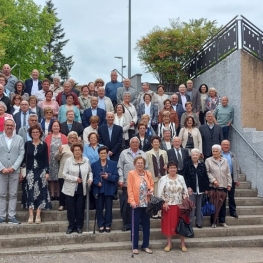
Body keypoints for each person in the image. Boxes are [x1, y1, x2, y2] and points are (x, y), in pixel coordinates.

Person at [22, 125, 51, 224]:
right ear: (30, 134)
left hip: (41, 170)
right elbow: (24, 158)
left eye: (37, 132)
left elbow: (46, 159)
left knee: (41, 191)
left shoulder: (44, 145)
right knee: (29, 191)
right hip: (29, 171)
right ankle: (31, 214)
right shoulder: (27, 144)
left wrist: (47, 172)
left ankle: (38, 214)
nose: (35, 134)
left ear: (40, 133)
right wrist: (22, 171)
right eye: (33, 132)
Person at [158, 161, 189, 252]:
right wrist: (163, 202)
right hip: (168, 205)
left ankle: (182, 243)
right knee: (168, 224)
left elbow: (185, 190)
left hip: (180, 205)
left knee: (182, 223)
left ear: (177, 169)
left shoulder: (181, 178)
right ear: (167, 169)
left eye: (174, 167)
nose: (173, 169)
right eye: (171, 167)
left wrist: (185, 199)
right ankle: (169, 243)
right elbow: (160, 192)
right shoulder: (163, 179)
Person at [62, 142, 93, 234]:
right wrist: (75, 179)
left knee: (80, 208)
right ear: (72, 151)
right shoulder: (68, 161)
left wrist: (90, 179)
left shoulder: (86, 160)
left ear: (81, 151)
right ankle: (71, 226)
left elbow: (90, 172)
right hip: (70, 188)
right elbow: (64, 174)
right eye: (75, 150)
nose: (77, 152)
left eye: (79, 150)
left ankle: (79, 226)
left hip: (82, 188)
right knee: (71, 208)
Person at [118, 137, 147, 231]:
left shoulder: (143, 154)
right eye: (133, 142)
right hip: (127, 183)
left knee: (139, 205)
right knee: (127, 205)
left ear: (139, 144)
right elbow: (120, 167)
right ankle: (127, 224)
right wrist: (121, 179)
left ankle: (139, 224)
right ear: (130, 144)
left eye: (136, 142)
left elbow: (147, 169)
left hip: (140, 185)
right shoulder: (124, 153)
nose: (135, 144)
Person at [127, 156, 154, 255]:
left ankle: (145, 245)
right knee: (135, 224)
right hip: (136, 203)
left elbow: (151, 185)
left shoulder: (148, 173)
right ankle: (134, 246)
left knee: (147, 224)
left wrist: (151, 190)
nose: (140, 164)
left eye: (141, 163)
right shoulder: (131, 174)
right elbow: (129, 189)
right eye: (138, 163)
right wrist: (132, 201)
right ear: (135, 164)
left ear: (144, 164)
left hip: (146, 203)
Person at [0, 119, 24, 224]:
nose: (9, 127)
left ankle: (11, 216)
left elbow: (21, 154)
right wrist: (2, 168)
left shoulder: (19, 139)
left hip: (14, 170)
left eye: (11, 125)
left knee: (13, 194)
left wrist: (13, 167)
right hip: (2, 171)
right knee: (2, 194)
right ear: (4, 126)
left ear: (14, 127)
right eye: (8, 125)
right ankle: (1, 216)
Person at [92, 146, 119, 233]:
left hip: (109, 189)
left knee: (109, 208)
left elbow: (116, 176)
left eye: (104, 153)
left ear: (107, 154)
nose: (103, 155)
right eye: (101, 153)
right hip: (99, 189)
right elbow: (91, 176)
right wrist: (96, 182)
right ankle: (100, 224)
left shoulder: (113, 164)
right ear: (99, 154)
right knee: (99, 208)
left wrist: (108, 177)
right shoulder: (94, 164)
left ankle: (107, 224)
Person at [205, 144, 232, 228]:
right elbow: (207, 172)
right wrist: (213, 180)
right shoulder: (208, 160)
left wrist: (229, 183)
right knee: (214, 204)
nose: (215, 153)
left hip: (223, 185)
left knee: (222, 204)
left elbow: (228, 173)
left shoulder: (225, 160)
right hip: (213, 186)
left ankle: (222, 221)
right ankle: (213, 222)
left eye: (216, 151)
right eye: (213, 151)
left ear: (220, 152)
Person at [184, 148, 209, 228]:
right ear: (191, 156)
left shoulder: (202, 164)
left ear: (199, 156)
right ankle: (190, 223)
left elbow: (205, 176)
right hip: (191, 189)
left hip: (200, 189)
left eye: (196, 155)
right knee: (191, 207)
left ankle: (199, 222)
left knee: (199, 207)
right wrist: (188, 187)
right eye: (193, 155)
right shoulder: (187, 164)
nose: (195, 156)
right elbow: (185, 177)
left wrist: (206, 188)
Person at [55, 131, 78, 211]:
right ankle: (62, 204)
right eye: (71, 138)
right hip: (63, 172)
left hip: (74, 173)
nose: (73, 139)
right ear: (68, 138)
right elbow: (56, 158)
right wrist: (60, 152)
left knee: (72, 189)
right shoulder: (63, 146)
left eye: (74, 138)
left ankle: (70, 205)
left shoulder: (78, 148)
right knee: (62, 189)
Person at [45, 120, 68, 200]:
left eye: (57, 126)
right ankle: (52, 194)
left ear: (59, 127)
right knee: (51, 178)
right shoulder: (47, 137)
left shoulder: (64, 137)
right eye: (54, 126)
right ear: (51, 127)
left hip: (61, 159)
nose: (56, 127)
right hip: (50, 159)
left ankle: (58, 194)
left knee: (59, 178)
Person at [146, 135, 168, 218]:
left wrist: (166, 165)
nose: (156, 143)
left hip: (162, 176)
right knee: (154, 195)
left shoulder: (164, 152)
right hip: (153, 177)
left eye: (157, 142)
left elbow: (166, 162)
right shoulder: (148, 153)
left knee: (161, 195)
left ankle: (160, 212)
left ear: (159, 143)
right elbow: (147, 166)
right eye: (154, 142)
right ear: (152, 144)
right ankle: (154, 212)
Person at [221, 140, 240, 218]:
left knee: (231, 195)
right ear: (221, 146)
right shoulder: (219, 155)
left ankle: (233, 211)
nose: (226, 146)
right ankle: (222, 213)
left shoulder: (232, 155)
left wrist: (237, 179)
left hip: (231, 177)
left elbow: (236, 168)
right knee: (223, 196)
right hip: (222, 178)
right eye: (224, 145)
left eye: (227, 145)